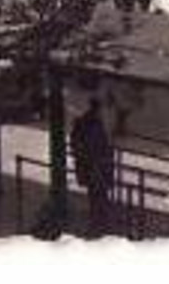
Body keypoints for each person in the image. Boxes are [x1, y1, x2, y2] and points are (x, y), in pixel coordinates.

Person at [71, 98, 115, 237]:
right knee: (99, 194)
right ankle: (99, 222)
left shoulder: (84, 123)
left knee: (95, 195)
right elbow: (98, 146)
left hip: (91, 166)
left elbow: (77, 144)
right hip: (96, 166)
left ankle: (98, 221)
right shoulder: (93, 124)